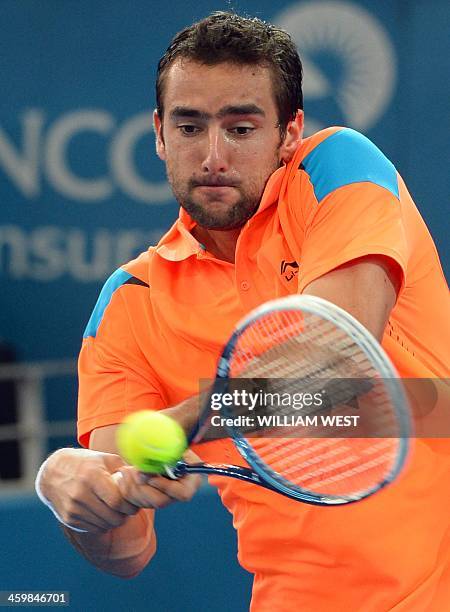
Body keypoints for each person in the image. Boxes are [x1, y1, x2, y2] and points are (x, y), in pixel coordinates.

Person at [36, 12, 450, 611]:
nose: (212, 156)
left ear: (290, 132)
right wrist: (80, 499)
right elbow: (126, 552)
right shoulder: (130, 302)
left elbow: (333, 364)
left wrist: (182, 423)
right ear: (158, 133)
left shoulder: (335, 170)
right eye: (188, 126)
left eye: (240, 128)